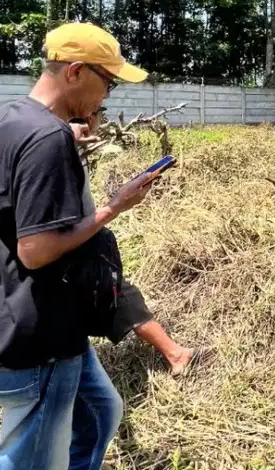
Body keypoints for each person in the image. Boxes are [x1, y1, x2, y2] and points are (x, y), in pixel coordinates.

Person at [0, 22, 154, 470]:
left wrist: (66, 140)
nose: (108, 95)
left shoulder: (11, 117)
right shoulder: (46, 139)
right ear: (74, 71)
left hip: (22, 318)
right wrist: (115, 206)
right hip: (38, 339)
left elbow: (19, 180)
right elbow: (36, 250)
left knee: (99, 413)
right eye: (107, 81)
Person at [69, 111, 198, 376]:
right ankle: (175, 354)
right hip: (77, 247)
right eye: (95, 113)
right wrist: (117, 205)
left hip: (88, 240)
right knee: (118, 296)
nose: (98, 122)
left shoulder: (72, 153)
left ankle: (175, 354)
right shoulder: (54, 156)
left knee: (121, 295)